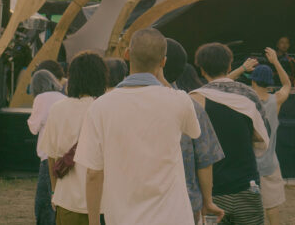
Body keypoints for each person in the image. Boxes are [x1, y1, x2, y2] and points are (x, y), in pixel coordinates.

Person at [76, 28, 200, 225]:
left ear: (127, 54)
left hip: (123, 218)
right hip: (174, 217)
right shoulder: (179, 101)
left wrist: (93, 222)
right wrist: (160, 77)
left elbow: (93, 174)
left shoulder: (100, 107)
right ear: (163, 62)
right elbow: (194, 132)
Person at [193, 42, 269, 224]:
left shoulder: (195, 99)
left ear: (201, 69)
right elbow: (262, 135)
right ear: (229, 66)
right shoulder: (249, 95)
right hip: (247, 185)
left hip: (212, 192)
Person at [37, 51, 107, 224]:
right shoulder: (107, 109)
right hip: (103, 203)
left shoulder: (58, 109)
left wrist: (54, 192)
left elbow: (51, 158)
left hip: (67, 200)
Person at [163, 39, 225, 224]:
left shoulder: (120, 104)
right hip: (184, 204)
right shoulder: (191, 106)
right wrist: (208, 201)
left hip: (136, 206)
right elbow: (205, 160)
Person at [249, 48, 293, 225]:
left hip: (248, 163)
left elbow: (220, 86)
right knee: (272, 207)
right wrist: (276, 61)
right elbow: (287, 84)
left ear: (252, 81)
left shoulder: (244, 101)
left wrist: (241, 68)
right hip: (269, 161)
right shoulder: (276, 100)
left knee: (249, 209)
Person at [28, 68, 67, 225]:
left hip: (47, 155)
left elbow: (34, 127)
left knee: (44, 201)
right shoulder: (63, 97)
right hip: (64, 154)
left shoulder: (41, 98)